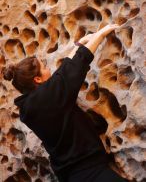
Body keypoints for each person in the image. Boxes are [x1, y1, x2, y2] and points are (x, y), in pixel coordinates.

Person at [2, 24, 129, 182]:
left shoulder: (29, 108)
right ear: (38, 79)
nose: (49, 69)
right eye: (45, 67)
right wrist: (102, 33)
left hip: (71, 176)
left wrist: (79, 44)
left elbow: (63, 73)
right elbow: (76, 66)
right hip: (92, 173)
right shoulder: (50, 96)